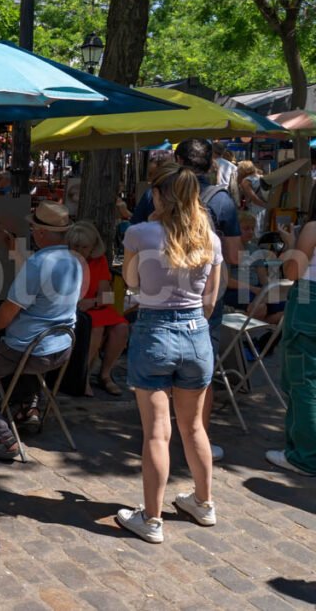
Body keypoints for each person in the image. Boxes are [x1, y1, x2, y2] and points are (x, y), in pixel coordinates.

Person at [116, 161, 224, 543]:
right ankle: (204, 502)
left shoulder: (139, 232)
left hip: (155, 330)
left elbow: (130, 281)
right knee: (194, 426)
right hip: (197, 333)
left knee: (157, 434)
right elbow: (211, 299)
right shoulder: (210, 239)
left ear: (160, 196)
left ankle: (151, 518)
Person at [131, 139, 242, 463]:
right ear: (211, 165)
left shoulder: (152, 196)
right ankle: (196, 437)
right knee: (197, 375)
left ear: (177, 159)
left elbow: (135, 239)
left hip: (155, 302)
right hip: (202, 302)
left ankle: (158, 436)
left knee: (157, 369)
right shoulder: (222, 202)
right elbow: (234, 253)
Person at [0, 201, 85, 460]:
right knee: (13, 350)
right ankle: (27, 407)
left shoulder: (37, 264)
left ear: (42, 233)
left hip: (30, 351)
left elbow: (4, 317)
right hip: (61, 347)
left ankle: (2, 436)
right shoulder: (75, 261)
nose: (32, 232)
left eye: (34, 227)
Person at [267, 211, 316, 476]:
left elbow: (292, 272)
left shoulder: (312, 228)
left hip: (309, 303)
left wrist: (290, 243)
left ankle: (304, 456)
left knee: (302, 381)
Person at [67, 221, 128, 396]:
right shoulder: (65, 259)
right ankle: (83, 376)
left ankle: (105, 374)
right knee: (96, 327)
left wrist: (92, 302)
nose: (79, 250)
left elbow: (107, 297)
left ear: (93, 246)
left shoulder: (98, 261)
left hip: (94, 305)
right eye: (76, 246)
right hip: (74, 308)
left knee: (122, 327)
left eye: (84, 247)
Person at [238, 160, 268, 233]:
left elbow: (253, 198)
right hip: (265, 209)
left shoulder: (246, 181)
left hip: (255, 209)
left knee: (256, 232)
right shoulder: (262, 177)